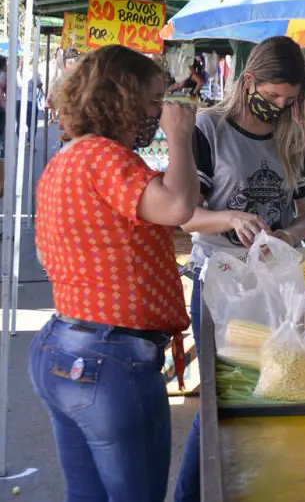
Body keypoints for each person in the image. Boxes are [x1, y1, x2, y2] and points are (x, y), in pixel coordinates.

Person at [29, 45, 198, 502]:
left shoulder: (66, 160)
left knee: (86, 496)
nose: (159, 113)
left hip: (64, 346)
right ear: (120, 99)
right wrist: (181, 137)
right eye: (153, 101)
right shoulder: (107, 158)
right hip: (110, 358)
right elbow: (179, 206)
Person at [174, 36, 305, 502]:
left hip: (277, 283)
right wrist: (231, 218)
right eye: (273, 95)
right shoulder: (208, 128)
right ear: (249, 80)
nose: (279, 106)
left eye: (289, 99)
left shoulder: (294, 136)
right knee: (222, 401)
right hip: (218, 282)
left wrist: (289, 236)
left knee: (275, 390)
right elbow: (185, 214)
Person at [47, 48, 81, 123]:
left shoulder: (61, 59)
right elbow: (54, 76)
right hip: (69, 88)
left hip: (67, 88)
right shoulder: (79, 59)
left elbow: (54, 76)